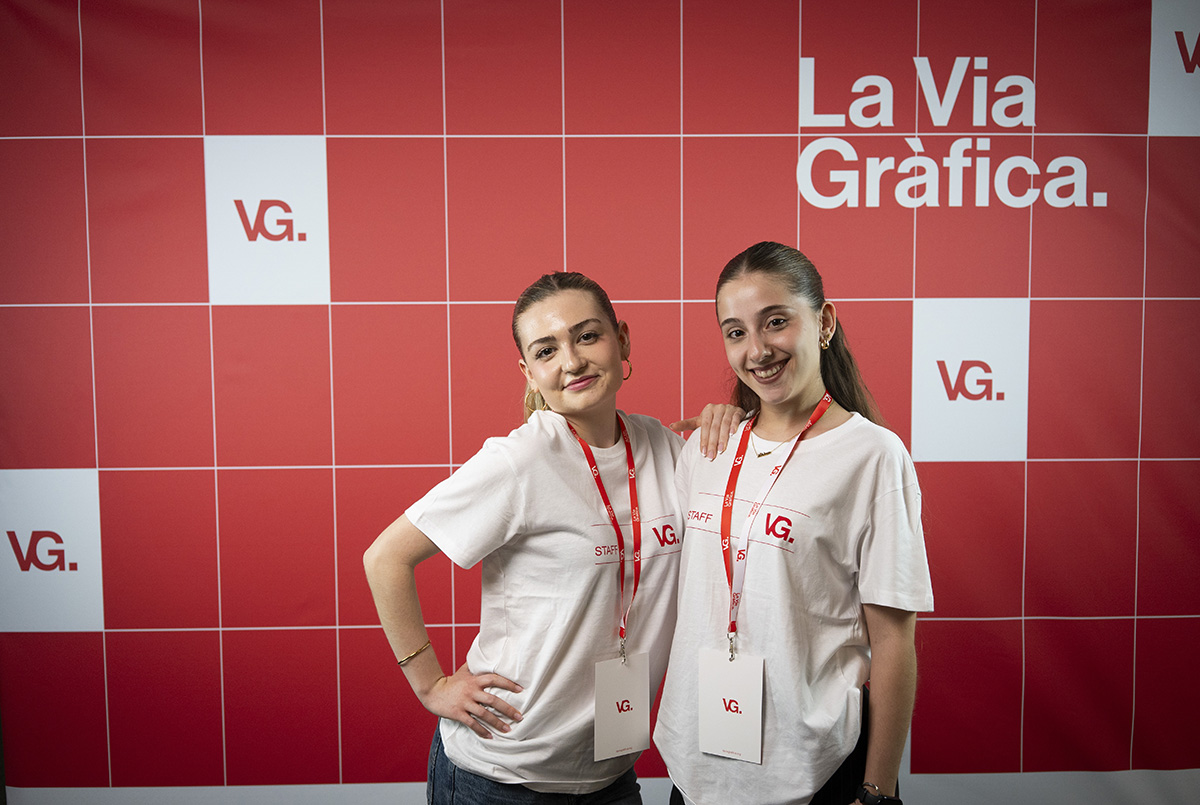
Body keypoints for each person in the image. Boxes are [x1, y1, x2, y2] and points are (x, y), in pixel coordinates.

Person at [363, 271, 741, 804]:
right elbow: (385, 558)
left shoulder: (666, 448)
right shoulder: (520, 461)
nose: (572, 361)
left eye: (587, 336)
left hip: (610, 773)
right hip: (502, 775)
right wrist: (431, 684)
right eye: (547, 350)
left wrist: (731, 424)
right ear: (529, 372)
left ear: (621, 340)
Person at [655, 242, 934, 805]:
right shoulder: (706, 449)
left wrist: (877, 792)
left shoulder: (873, 456)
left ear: (824, 322)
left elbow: (893, 640)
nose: (757, 350)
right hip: (698, 765)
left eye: (776, 322)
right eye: (736, 332)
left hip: (814, 771)